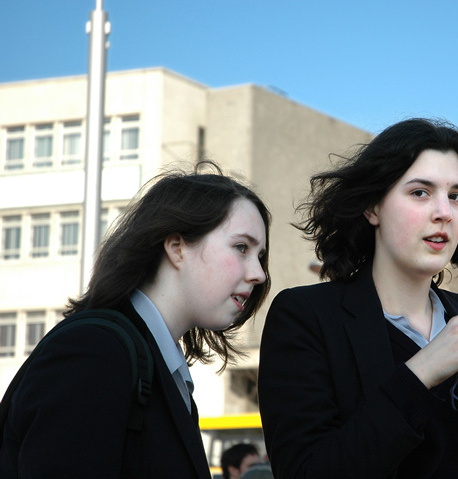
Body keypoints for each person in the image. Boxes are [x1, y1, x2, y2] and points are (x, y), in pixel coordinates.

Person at [258, 118, 458, 478]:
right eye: (420, 192)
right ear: (372, 208)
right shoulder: (306, 316)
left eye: (456, 196)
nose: (444, 212)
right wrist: (422, 371)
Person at [0, 161, 271, 478]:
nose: (258, 274)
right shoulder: (94, 351)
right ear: (176, 247)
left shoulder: (154, 365)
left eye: (260, 255)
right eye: (241, 247)